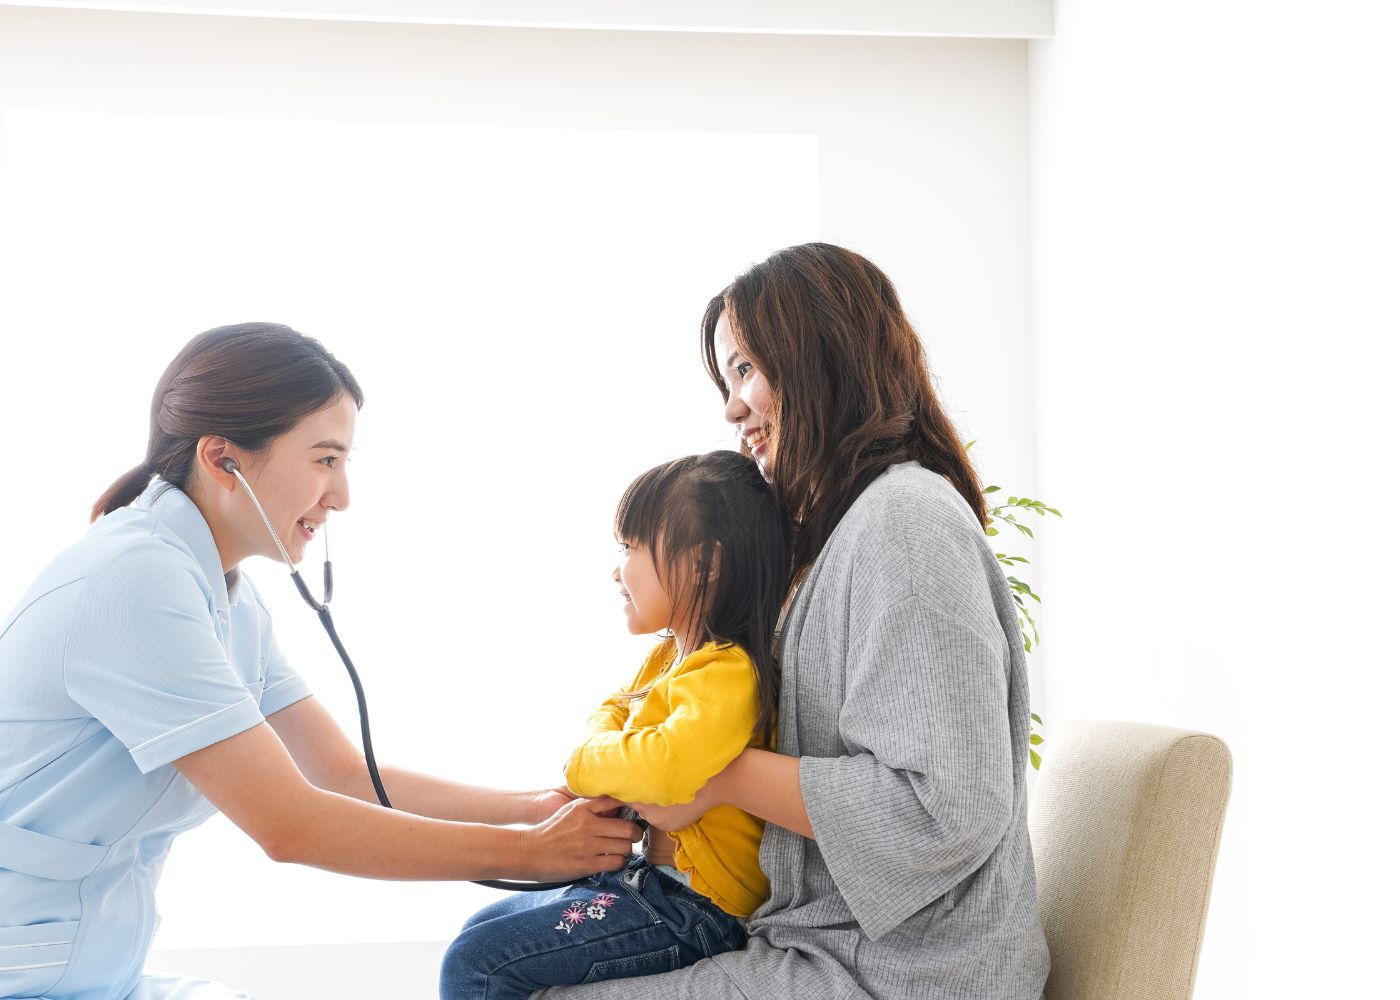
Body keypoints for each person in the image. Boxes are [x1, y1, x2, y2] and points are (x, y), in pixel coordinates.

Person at [0, 322, 640, 1000]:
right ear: (224, 459)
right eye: (324, 460)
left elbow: (337, 773)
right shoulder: (135, 581)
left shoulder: (225, 598)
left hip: (92, 973)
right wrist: (530, 853)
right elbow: (290, 824)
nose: (341, 498)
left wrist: (532, 807)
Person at [536, 244, 1052, 1000]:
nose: (731, 405)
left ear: (822, 359)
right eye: (728, 376)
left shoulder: (905, 523)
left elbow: (945, 810)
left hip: (901, 976)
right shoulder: (835, 537)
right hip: (818, 945)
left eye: (746, 368)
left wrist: (711, 773)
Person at [438, 450, 791, 1000]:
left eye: (630, 547)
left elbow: (666, 766)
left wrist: (586, 764)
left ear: (703, 564)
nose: (616, 568)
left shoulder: (729, 671)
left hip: (696, 910)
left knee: (477, 963)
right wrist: (608, 754)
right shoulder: (666, 660)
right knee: (479, 930)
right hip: (646, 884)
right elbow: (610, 717)